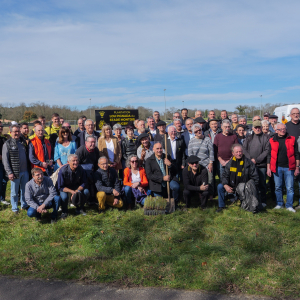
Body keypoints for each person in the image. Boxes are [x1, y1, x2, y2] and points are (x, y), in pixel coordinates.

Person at [216, 144, 261, 213]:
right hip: (232, 184)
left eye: (240, 151)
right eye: (236, 152)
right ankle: (221, 206)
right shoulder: (230, 163)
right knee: (220, 186)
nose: (239, 153)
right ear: (233, 153)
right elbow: (224, 176)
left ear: (242, 152)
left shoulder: (249, 163)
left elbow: (255, 177)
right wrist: (225, 185)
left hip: (244, 186)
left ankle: (245, 203)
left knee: (243, 187)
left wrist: (248, 186)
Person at [267, 123, 300, 212]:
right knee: (278, 187)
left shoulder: (292, 139)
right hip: (277, 167)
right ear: (276, 131)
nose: (283, 130)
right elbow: (269, 155)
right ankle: (279, 204)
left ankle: (289, 205)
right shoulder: (271, 140)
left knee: (290, 187)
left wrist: (297, 167)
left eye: (284, 128)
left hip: (289, 167)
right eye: (280, 129)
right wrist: (268, 168)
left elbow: (297, 154)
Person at [2, 124, 29, 213]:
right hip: (15, 172)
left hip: (25, 171)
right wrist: (9, 172)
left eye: (18, 131)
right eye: (15, 131)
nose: (17, 133)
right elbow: (5, 160)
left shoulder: (23, 142)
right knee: (14, 192)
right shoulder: (7, 144)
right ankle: (14, 208)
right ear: (10, 132)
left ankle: (24, 205)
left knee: (24, 190)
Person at [243, 120, 270, 206]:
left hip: (261, 165)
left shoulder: (266, 138)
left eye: (259, 127)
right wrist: (250, 159)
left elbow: (267, 150)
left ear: (261, 128)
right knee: (251, 183)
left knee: (262, 183)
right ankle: (251, 200)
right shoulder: (249, 137)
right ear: (253, 128)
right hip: (250, 165)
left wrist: (257, 160)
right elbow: (244, 149)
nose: (257, 129)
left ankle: (263, 201)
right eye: (256, 127)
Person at [188, 124, 214, 195]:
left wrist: (211, 163)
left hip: (206, 163)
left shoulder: (207, 139)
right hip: (196, 164)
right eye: (196, 131)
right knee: (199, 180)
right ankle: (199, 194)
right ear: (194, 133)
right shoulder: (192, 141)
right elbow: (190, 153)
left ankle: (210, 194)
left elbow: (211, 152)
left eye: (199, 130)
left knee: (210, 179)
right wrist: (193, 164)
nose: (198, 132)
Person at [0, 124, 8, 205]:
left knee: (4, 181)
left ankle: (2, 198)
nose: (1, 128)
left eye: (1, 126)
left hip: (4, 164)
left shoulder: (3, 139)